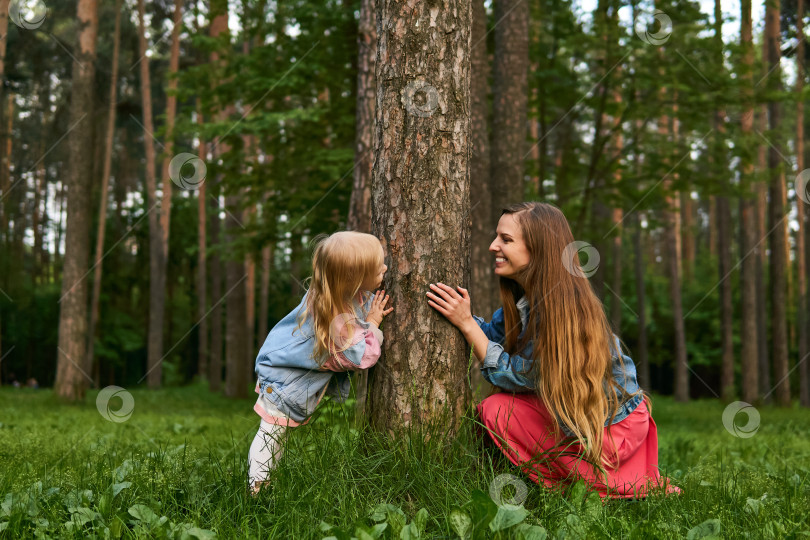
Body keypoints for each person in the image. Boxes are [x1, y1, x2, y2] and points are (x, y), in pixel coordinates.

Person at [426, 202, 680, 499]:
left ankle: (603, 483)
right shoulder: (524, 300)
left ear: (538, 249)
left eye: (506, 240)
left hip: (612, 428)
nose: (493, 246)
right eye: (497, 237)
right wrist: (463, 318)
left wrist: (467, 325)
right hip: (576, 418)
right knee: (497, 409)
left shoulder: (562, 312)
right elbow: (491, 338)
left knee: (496, 410)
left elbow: (516, 375)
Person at [248, 231, 393, 495]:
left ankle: (265, 485)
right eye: (378, 268)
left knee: (276, 436)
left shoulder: (336, 292)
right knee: (271, 435)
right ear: (355, 278)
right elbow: (362, 357)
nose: (385, 268)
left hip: (283, 370)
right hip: (284, 378)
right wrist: (372, 324)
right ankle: (257, 489)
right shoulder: (338, 318)